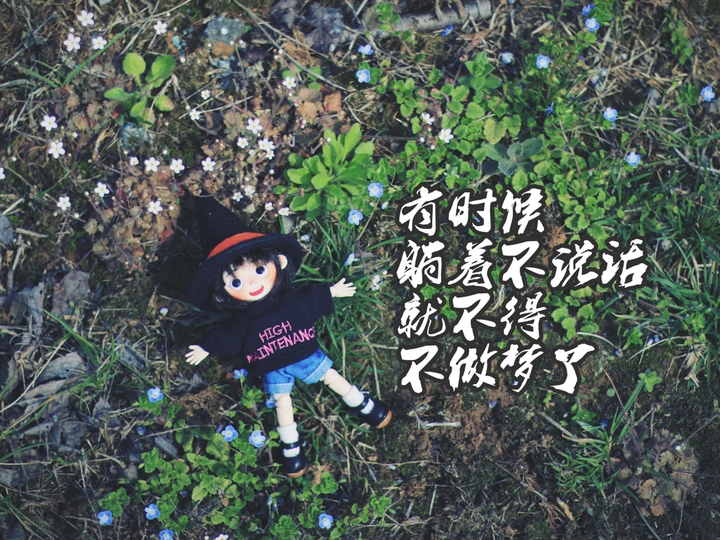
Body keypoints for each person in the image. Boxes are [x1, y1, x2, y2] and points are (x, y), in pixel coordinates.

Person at [185, 196, 391, 477]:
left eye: (259, 270)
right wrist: (206, 347)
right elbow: (227, 335)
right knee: (283, 402)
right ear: (221, 293)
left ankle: (363, 404)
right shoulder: (243, 320)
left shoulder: (289, 301)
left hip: (302, 352)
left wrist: (332, 291)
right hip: (272, 364)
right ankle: (291, 447)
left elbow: (310, 298)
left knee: (332, 378)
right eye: (236, 282)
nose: (253, 283)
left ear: (279, 262)